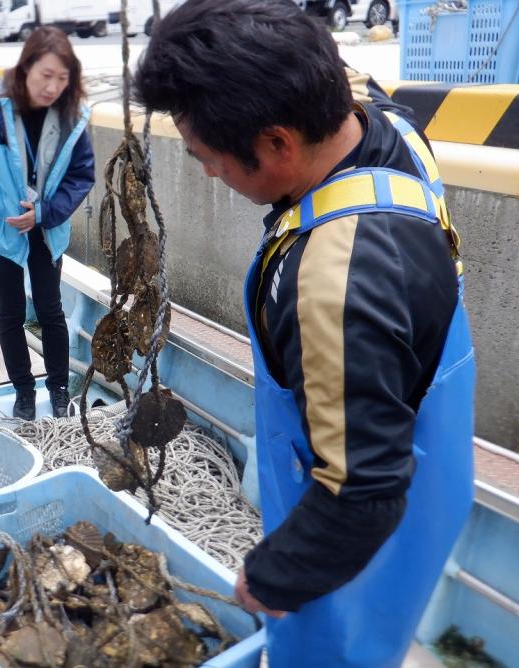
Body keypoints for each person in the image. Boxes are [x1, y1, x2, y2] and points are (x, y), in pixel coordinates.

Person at [134, 1, 475, 666]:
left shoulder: (335, 284)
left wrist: (273, 575)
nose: (208, 173)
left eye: (209, 158)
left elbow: (363, 493)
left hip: (358, 521)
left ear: (278, 144)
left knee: (335, 647)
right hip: (430, 464)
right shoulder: (386, 123)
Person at [0, 27, 95, 420]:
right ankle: (22, 391)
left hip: (47, 232)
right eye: (45, 75)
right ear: (25, 69)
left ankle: (58, 389)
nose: (53, 87)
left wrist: (46, 213)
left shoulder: (72, 117)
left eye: (63, 78)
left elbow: (82, 176)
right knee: (11, 312)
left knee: (51, 311)